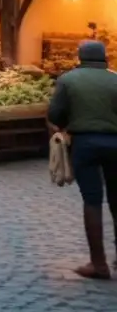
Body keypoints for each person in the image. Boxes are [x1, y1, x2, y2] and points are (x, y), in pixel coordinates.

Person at [48, 40, 117, 280]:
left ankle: (98, 264)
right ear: (104, 57)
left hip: (84, 144)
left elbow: (55, 113)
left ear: (80, 57)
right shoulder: (115, 78)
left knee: (92, 200)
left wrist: (66, 126)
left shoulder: (68, 80)